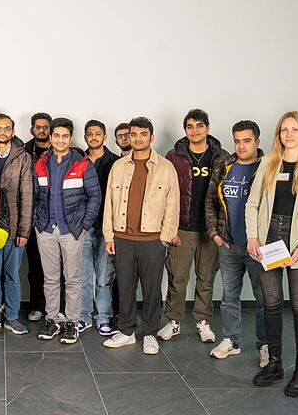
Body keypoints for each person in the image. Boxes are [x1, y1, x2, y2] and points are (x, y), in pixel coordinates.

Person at [246, 111, 298, 397]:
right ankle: (275, 364)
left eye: (295, 129)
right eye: (284, 130)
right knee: (270, 305)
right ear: (279, 134)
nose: (289, 134)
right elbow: (252, 205)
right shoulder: (269, 162)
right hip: (269, 240)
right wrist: (252, 236)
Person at [101, 117, 178, 355]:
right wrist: (109, 236)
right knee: (124, 287)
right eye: (133, 134)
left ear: (151, 137)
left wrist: (164, 238)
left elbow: (172, 205)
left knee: (152, 289)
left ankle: (150, 334)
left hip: (152, 240)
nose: (137, 139)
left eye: (143, 134)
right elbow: (109, 203)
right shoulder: (119, 166)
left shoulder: (166, 168)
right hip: (123, 238)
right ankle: (126, 332)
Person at [159, 109, 230, 343]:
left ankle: (203, 322)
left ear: (208, 128)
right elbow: (164, 193)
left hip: (211, 231)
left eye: (200, 125)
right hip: (183, 227)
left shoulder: (222, 157)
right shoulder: (174, 156)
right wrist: (169, 229)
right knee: (177, 278)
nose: (195, 130)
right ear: (185, 130)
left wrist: (222, 227)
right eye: (190, 126)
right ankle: (173, 322)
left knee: (206, 278)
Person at [205, 120, 268, 366]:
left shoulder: (267, 167)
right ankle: (231, 340)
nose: (241, 146)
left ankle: (265, 346)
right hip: (229, 245)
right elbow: (210, 200)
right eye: (238, 141)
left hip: (258, 248)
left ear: (257, 142)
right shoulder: (225, 166)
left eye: (247, 141)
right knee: (229, 296)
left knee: (265, 299)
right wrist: (215, 234)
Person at [33, 117, 101, 345]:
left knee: (73, 279)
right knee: (50, 278)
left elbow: (95, 196)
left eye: (65, 136)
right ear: (50, 138)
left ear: (70, 138)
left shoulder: (82, 163)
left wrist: (84, 225)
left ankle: (72, 322)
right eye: (56, 136)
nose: (60, 140)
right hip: (45, 229)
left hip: (72, 230)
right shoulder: (41, 163)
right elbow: (34, 195)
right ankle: (52, 319)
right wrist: (36, 221)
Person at [0, 114, 33, 336]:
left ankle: (11, 318)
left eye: (7, 129)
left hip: (12, 227)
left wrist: (23, 230)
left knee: (12, 275)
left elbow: (27, 196)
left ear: (13, 131)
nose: (2, 132)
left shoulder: (23, 157)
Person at [79, 120, 120, 335]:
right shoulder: (78, 160)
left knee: (104, 276)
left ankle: (103, 317)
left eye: (98, 133)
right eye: (90, 134)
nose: (94, 137)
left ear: (104, 136)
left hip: (107, 227)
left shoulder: (115, 162)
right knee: (84, 276)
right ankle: (83, 316)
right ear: (85, 137)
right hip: (83, 226)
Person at [24, 112, 51, 321]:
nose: (42, 130)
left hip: (56, 217)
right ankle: (37, 306)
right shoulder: (24, 151)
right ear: (32, 129)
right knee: (35, 267)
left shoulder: (62, 149)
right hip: (32, 216)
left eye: (45, 127)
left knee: (57, 267)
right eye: (38, 127)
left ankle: (56, 308)